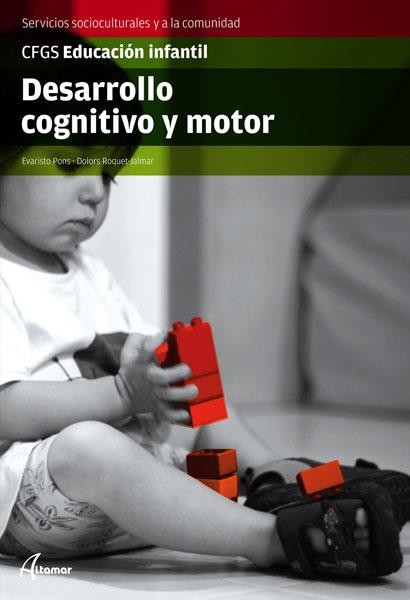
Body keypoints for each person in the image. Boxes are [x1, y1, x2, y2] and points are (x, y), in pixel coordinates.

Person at [0, 30, 404, 579]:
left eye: (108, 173)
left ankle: (275, 477)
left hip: (129, 492)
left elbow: (143, 366)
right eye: (71, 165)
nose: (95, 191)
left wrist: (162, 372)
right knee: (87, 446)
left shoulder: (87, 270)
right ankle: (273, 538)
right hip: (34, 500)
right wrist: (122, 393)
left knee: (190, 387)